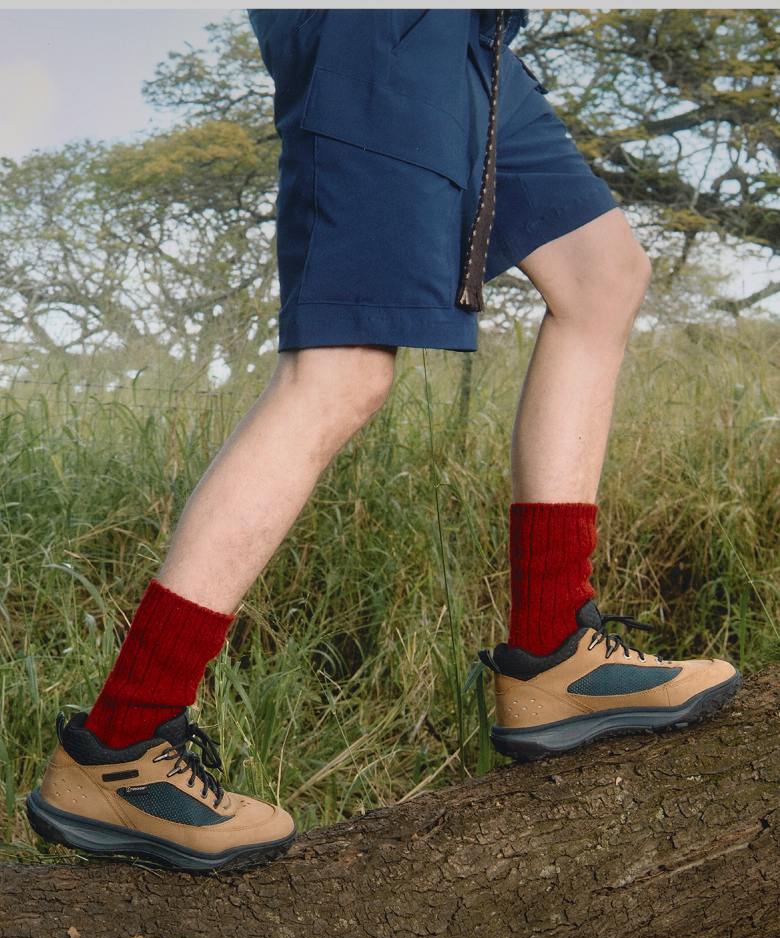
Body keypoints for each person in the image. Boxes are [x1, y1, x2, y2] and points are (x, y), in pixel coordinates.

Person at [25, 8, 741, 873]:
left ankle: (556, 654)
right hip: (383, 26)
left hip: (472, 39)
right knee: (339, 373)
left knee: (602, 272)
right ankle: (122, 741)